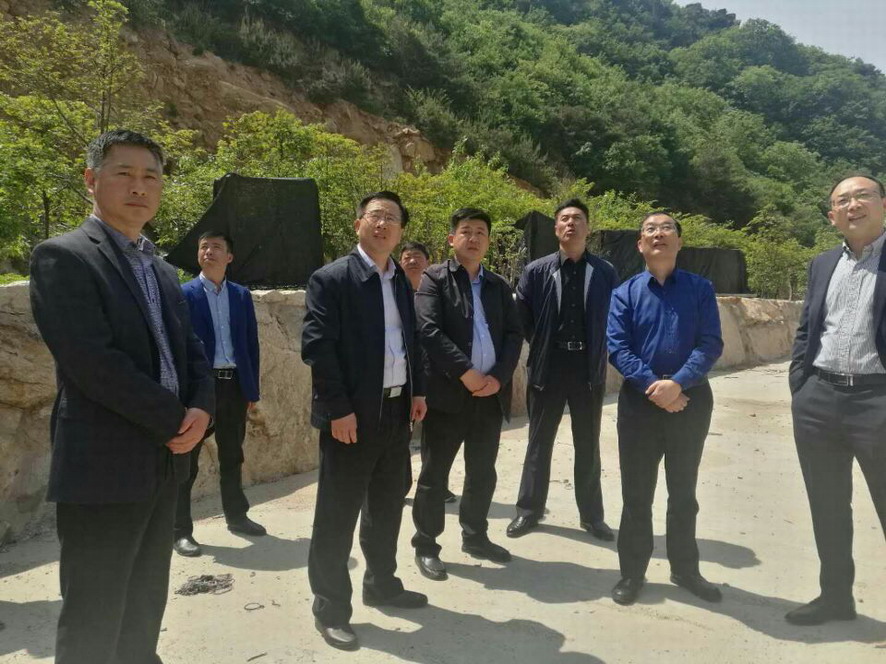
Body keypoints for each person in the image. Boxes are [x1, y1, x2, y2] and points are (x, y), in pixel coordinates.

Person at [29, 129, 213, 663]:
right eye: (124, 174)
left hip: (164, 463)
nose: (140, 187)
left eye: (151, 176)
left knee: (145, 602)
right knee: (95, 612)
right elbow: (93, 363)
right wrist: (175, 419)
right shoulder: (64, 257)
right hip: (103, 466)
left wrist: (203, 408)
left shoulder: (161, 268)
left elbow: (191, 348)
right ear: (91, 180)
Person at [302, 191, 429, 651]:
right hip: (351, 417)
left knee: (388, 505)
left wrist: (417, 391)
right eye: (375, 215)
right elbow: (318, 347)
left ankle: (382, 584)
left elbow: (411, 340)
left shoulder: (401, 281)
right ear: (358, 224)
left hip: (395, 412)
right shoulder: (331, 279)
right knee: (337, 516)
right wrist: (337, 409)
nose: (383, 224)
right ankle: (331, 608)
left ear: (400, 231)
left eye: (392, 218)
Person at [606, 213, 724, 605]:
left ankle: (685, 570)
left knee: (683, 492)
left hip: (691, 400)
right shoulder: (625, 293)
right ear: (640, 244)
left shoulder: (700, 288)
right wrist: (654, 387)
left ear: (679, 241)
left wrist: (678, 384)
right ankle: (632, 573)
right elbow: (618, 347)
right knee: (637, 494)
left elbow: (710, 343)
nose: (659, 234)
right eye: (650, 230)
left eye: (667, 228)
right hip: (638, 405)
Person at [786, 175, 886, 626]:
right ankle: (835, 598)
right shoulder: (823, 264)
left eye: (863, 195)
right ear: (832, 217)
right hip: (819, 399)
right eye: (842, 200)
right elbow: (808, 327)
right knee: (827, 506)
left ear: (883, 204)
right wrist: (801, 385)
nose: (853, 205)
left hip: (878, 400)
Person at [411, 208, 523, 581]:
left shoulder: (498, 285)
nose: (473, 238)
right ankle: (426, 544)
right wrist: (467, 373)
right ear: (452, 239)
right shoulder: (434, 278)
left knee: (482, 472)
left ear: (488, 242)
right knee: (434, 474)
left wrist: (498, 378)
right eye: (466, 231)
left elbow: (513, 335)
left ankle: (475, 536)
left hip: (489, 396)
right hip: (448, 396)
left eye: (480, 232)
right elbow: (429, 330)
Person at [507, 199, 617, 540]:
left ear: (588, 228)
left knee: (588, 445)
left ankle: (592, 517)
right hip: (548, 367)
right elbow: (522, 318)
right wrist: (543, 345)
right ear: (556, 229)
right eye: (565, 219)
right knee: (539, 442)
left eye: (578, 219)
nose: (571, 223)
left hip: (588, 369)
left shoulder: (605, 272)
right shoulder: (536, 271)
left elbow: (616, 317)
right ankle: (528, 511)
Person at [173, 231, 264, 557]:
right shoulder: (184, 294)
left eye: (216, 247)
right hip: (200, 388)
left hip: (234, 385)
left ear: (229, 257)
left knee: (232, 454)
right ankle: (180, 530)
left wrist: (251, 388)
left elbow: (250, 344)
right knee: (188, 460)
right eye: (204, 247)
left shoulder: (240, 295)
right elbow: (178, 346)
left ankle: (237, 517)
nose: (209, 251)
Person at [399, 241, 458, 504]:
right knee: (400, 435)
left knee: (436, 436)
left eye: (417, 257)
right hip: (406, 375)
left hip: (435, 375)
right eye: (407, 257)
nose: (412, 261)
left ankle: (435, 485)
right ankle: (399, 487)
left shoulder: (437, 293)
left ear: (428, 262)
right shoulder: (394, 293)